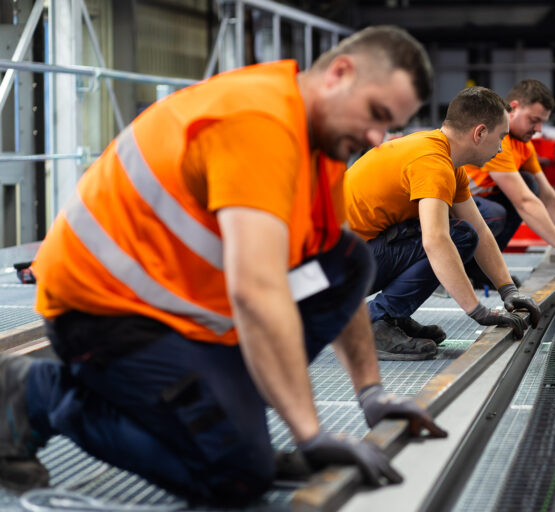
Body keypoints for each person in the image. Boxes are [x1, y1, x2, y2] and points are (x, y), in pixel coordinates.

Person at [0, 26, 447, 504]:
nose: (378, 137)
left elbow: (333, 269)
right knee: (236, 478)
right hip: (104, 312)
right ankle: (38, 395)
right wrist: (310, 434)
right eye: (377, 114)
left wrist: (370, 392)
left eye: (391, 124)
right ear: (340, 74)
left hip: (181, 305)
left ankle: (225, 423)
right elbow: (256, 292)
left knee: (347, 262)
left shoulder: (323, 144)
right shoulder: (259, 122)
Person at [345, 86, 542, 361]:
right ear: (480, 132)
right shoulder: (433, 163)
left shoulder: (442, 157)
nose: (499, 148)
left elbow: (482, 232)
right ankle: (376, 322)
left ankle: (390, 317)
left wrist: (507, 290)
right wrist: (478, 311)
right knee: (456, 237)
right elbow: (435, 240)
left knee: (465, 234)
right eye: (500, 138)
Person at [463, 79, 555, 286]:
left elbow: (548, 195)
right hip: (446, 210)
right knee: (495, 214)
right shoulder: (497, 139)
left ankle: (479, 271)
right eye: (534, 120)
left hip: (472, 203)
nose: (539, 129)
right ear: (514, 108)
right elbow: (523, 201)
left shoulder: (523, 146)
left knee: (529, 182)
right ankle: (453, 269)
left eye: (542, 122)